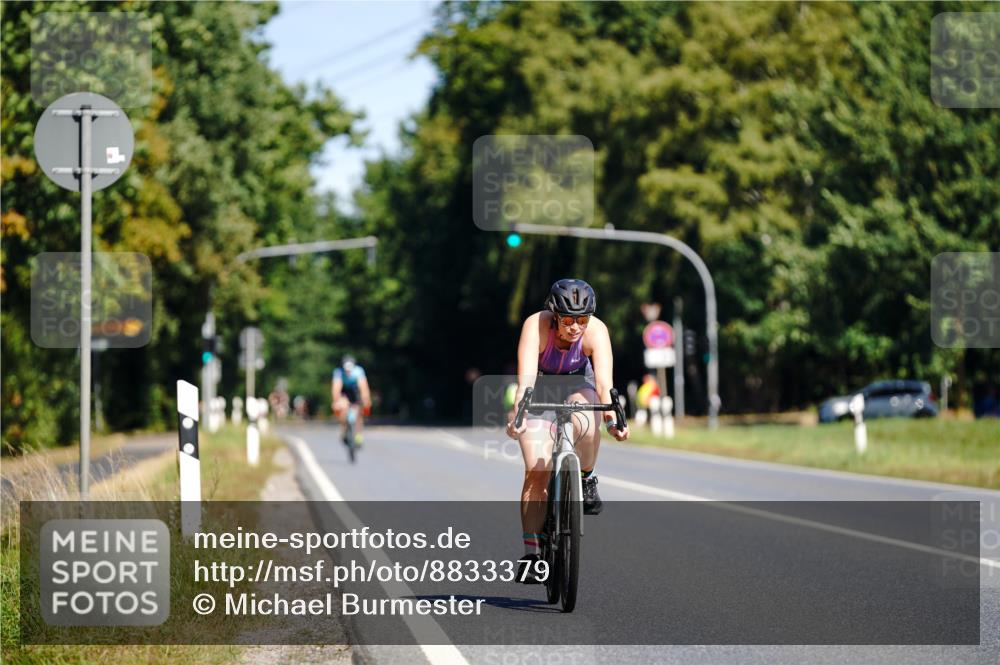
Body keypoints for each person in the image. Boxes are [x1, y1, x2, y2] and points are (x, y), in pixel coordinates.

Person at [505, 278, 629, 582]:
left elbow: (603, 385)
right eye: (569, 320)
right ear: (554, 315)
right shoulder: (535, 326)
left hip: (578, 384)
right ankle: (533, 554)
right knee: (536, 468)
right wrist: (519, 415)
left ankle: (585, 478)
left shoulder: (596, 331)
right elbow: (527, 382)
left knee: (587, 419)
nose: (576, 327)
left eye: (582, 320)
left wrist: (613, 420)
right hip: (541, 386)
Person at [331, 354, 371, 445]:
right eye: (346, 369)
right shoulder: (338, 372)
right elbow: (336, 389)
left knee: (359, 412)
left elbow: (364, 387)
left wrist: (366, 399)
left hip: (355, 391)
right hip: (344, 391)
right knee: (342, 408)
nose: (348, 372)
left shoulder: (358, 371)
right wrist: (336, 401)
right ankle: (344, 430)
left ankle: (358, 434)